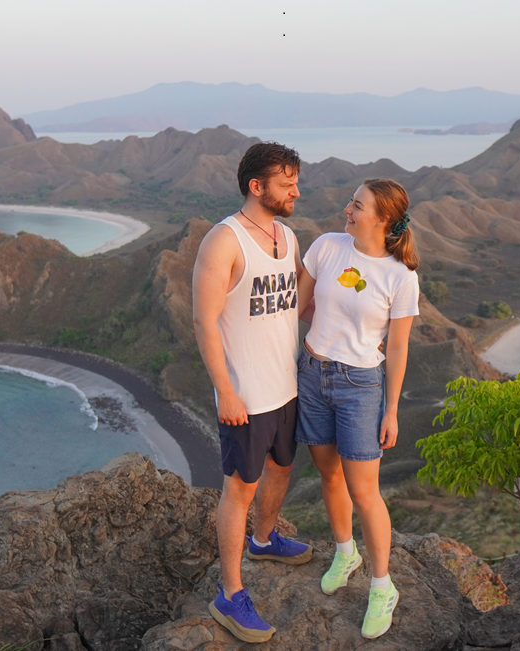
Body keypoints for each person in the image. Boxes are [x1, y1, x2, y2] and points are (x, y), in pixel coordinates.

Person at [192, 142, 312, 643]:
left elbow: (298, 305)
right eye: (288, 185)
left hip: (287, 387)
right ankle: (230, 592)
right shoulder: (224, 242)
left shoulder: (288, 236)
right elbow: (203, 319)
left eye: (296, 183)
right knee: (239, 489)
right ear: (256, 187)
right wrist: (226, 392)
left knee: (282, 469)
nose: (296, 193)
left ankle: (264, 540)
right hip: (244, 394)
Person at [296, 178, 420, 639]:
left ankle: (382, 585)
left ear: (382, 218)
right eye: (351, 200)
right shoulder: (327, 246)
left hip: (360, 386)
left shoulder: (400, 276)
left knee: (365, 491)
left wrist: (391, 410)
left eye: (357, 204)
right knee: (328, 475)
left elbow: (401, 347)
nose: (347, 209)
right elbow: (299, 305)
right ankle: (346, 552)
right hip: (312, 372)